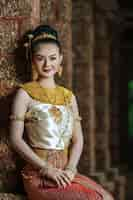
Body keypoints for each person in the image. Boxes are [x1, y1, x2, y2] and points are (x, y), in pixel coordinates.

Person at [10, 25, 114, 200]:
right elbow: (15, 139)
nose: (47, 64)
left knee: (105, 198)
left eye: (52, 58)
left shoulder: (68, 97)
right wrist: (46, 168)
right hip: (39, 174)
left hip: (66, 174)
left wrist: (71, 168)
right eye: (40, 58)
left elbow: (78, 139)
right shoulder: (25, 93)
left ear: (60, 59)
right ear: (32, 60)